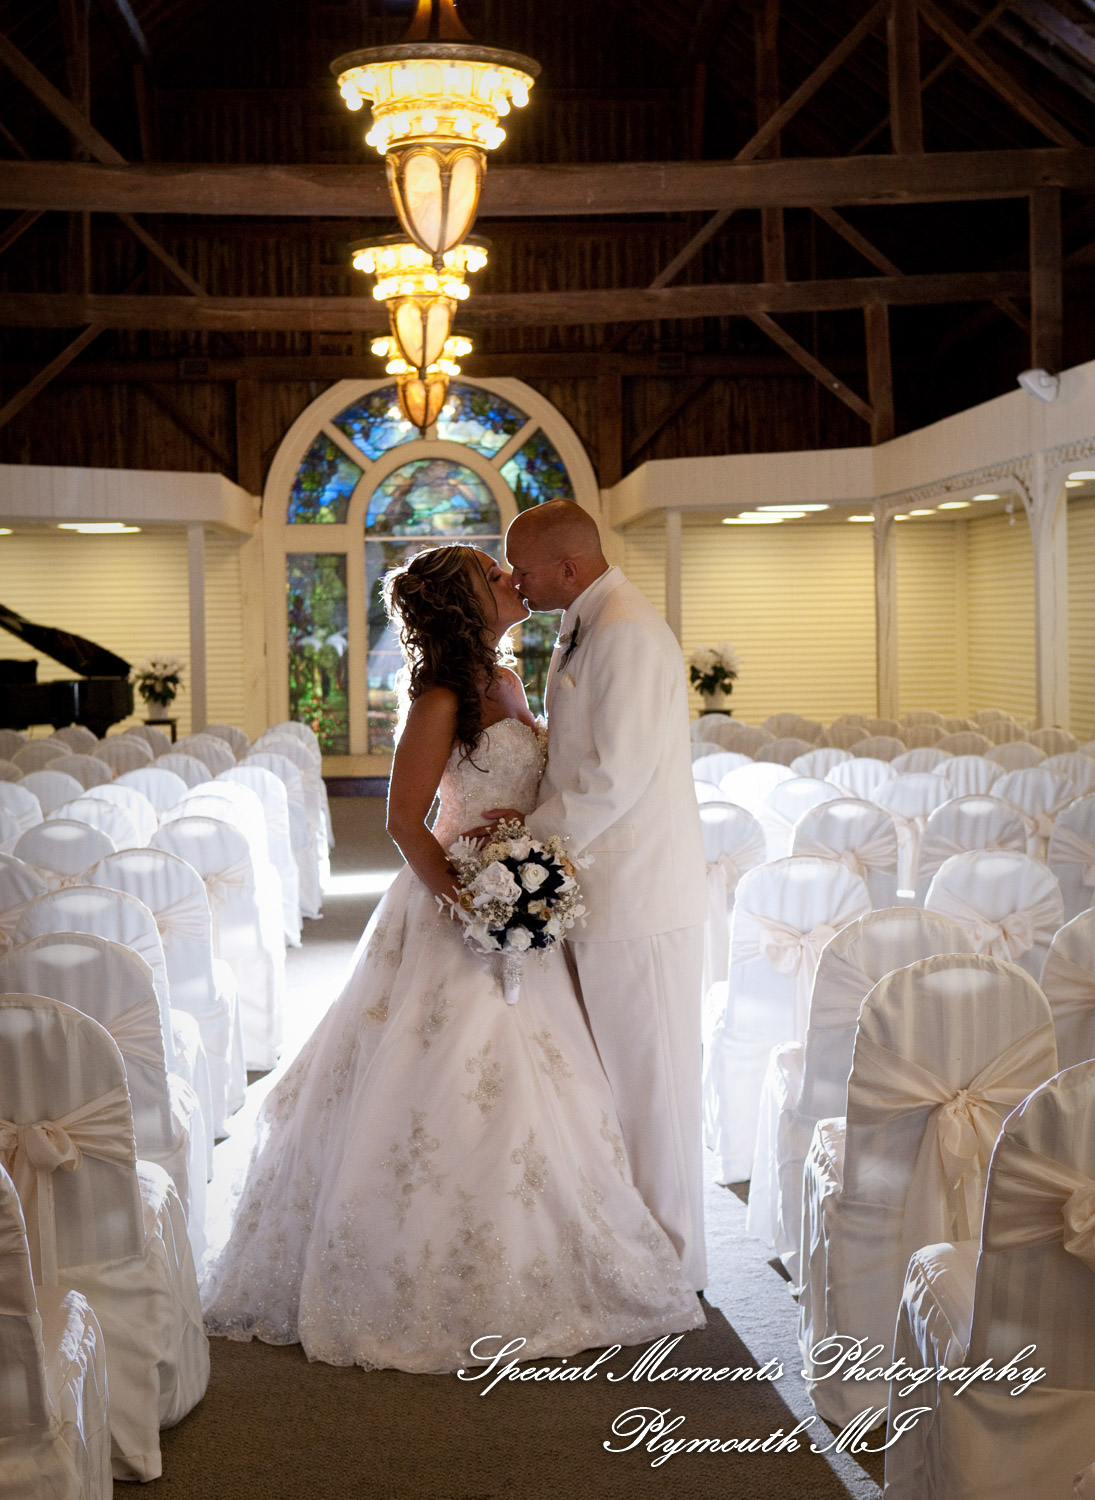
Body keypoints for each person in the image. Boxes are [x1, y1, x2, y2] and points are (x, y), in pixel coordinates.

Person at [201, 542, 704, 1373]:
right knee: (442, 1078)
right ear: (466, 605)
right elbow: (405, 821)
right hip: (458, 908)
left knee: (553, 1082)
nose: (513, 577)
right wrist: (464, 898)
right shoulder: (441, 698)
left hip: (516, 894)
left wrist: (515, 869)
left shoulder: (509, 680)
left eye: (512, 566)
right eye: (493, 574)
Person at [501, 501, 708, 1292]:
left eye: (524, 568)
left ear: (568, 567)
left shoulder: (623, 630)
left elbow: (612, 778)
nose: (516, 582)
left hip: (641, 899)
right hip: (605, 892)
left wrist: (520, 849)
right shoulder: (587, 620)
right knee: (619, 1085)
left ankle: (678, 1267)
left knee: (655, 1090)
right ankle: (644, 1252)